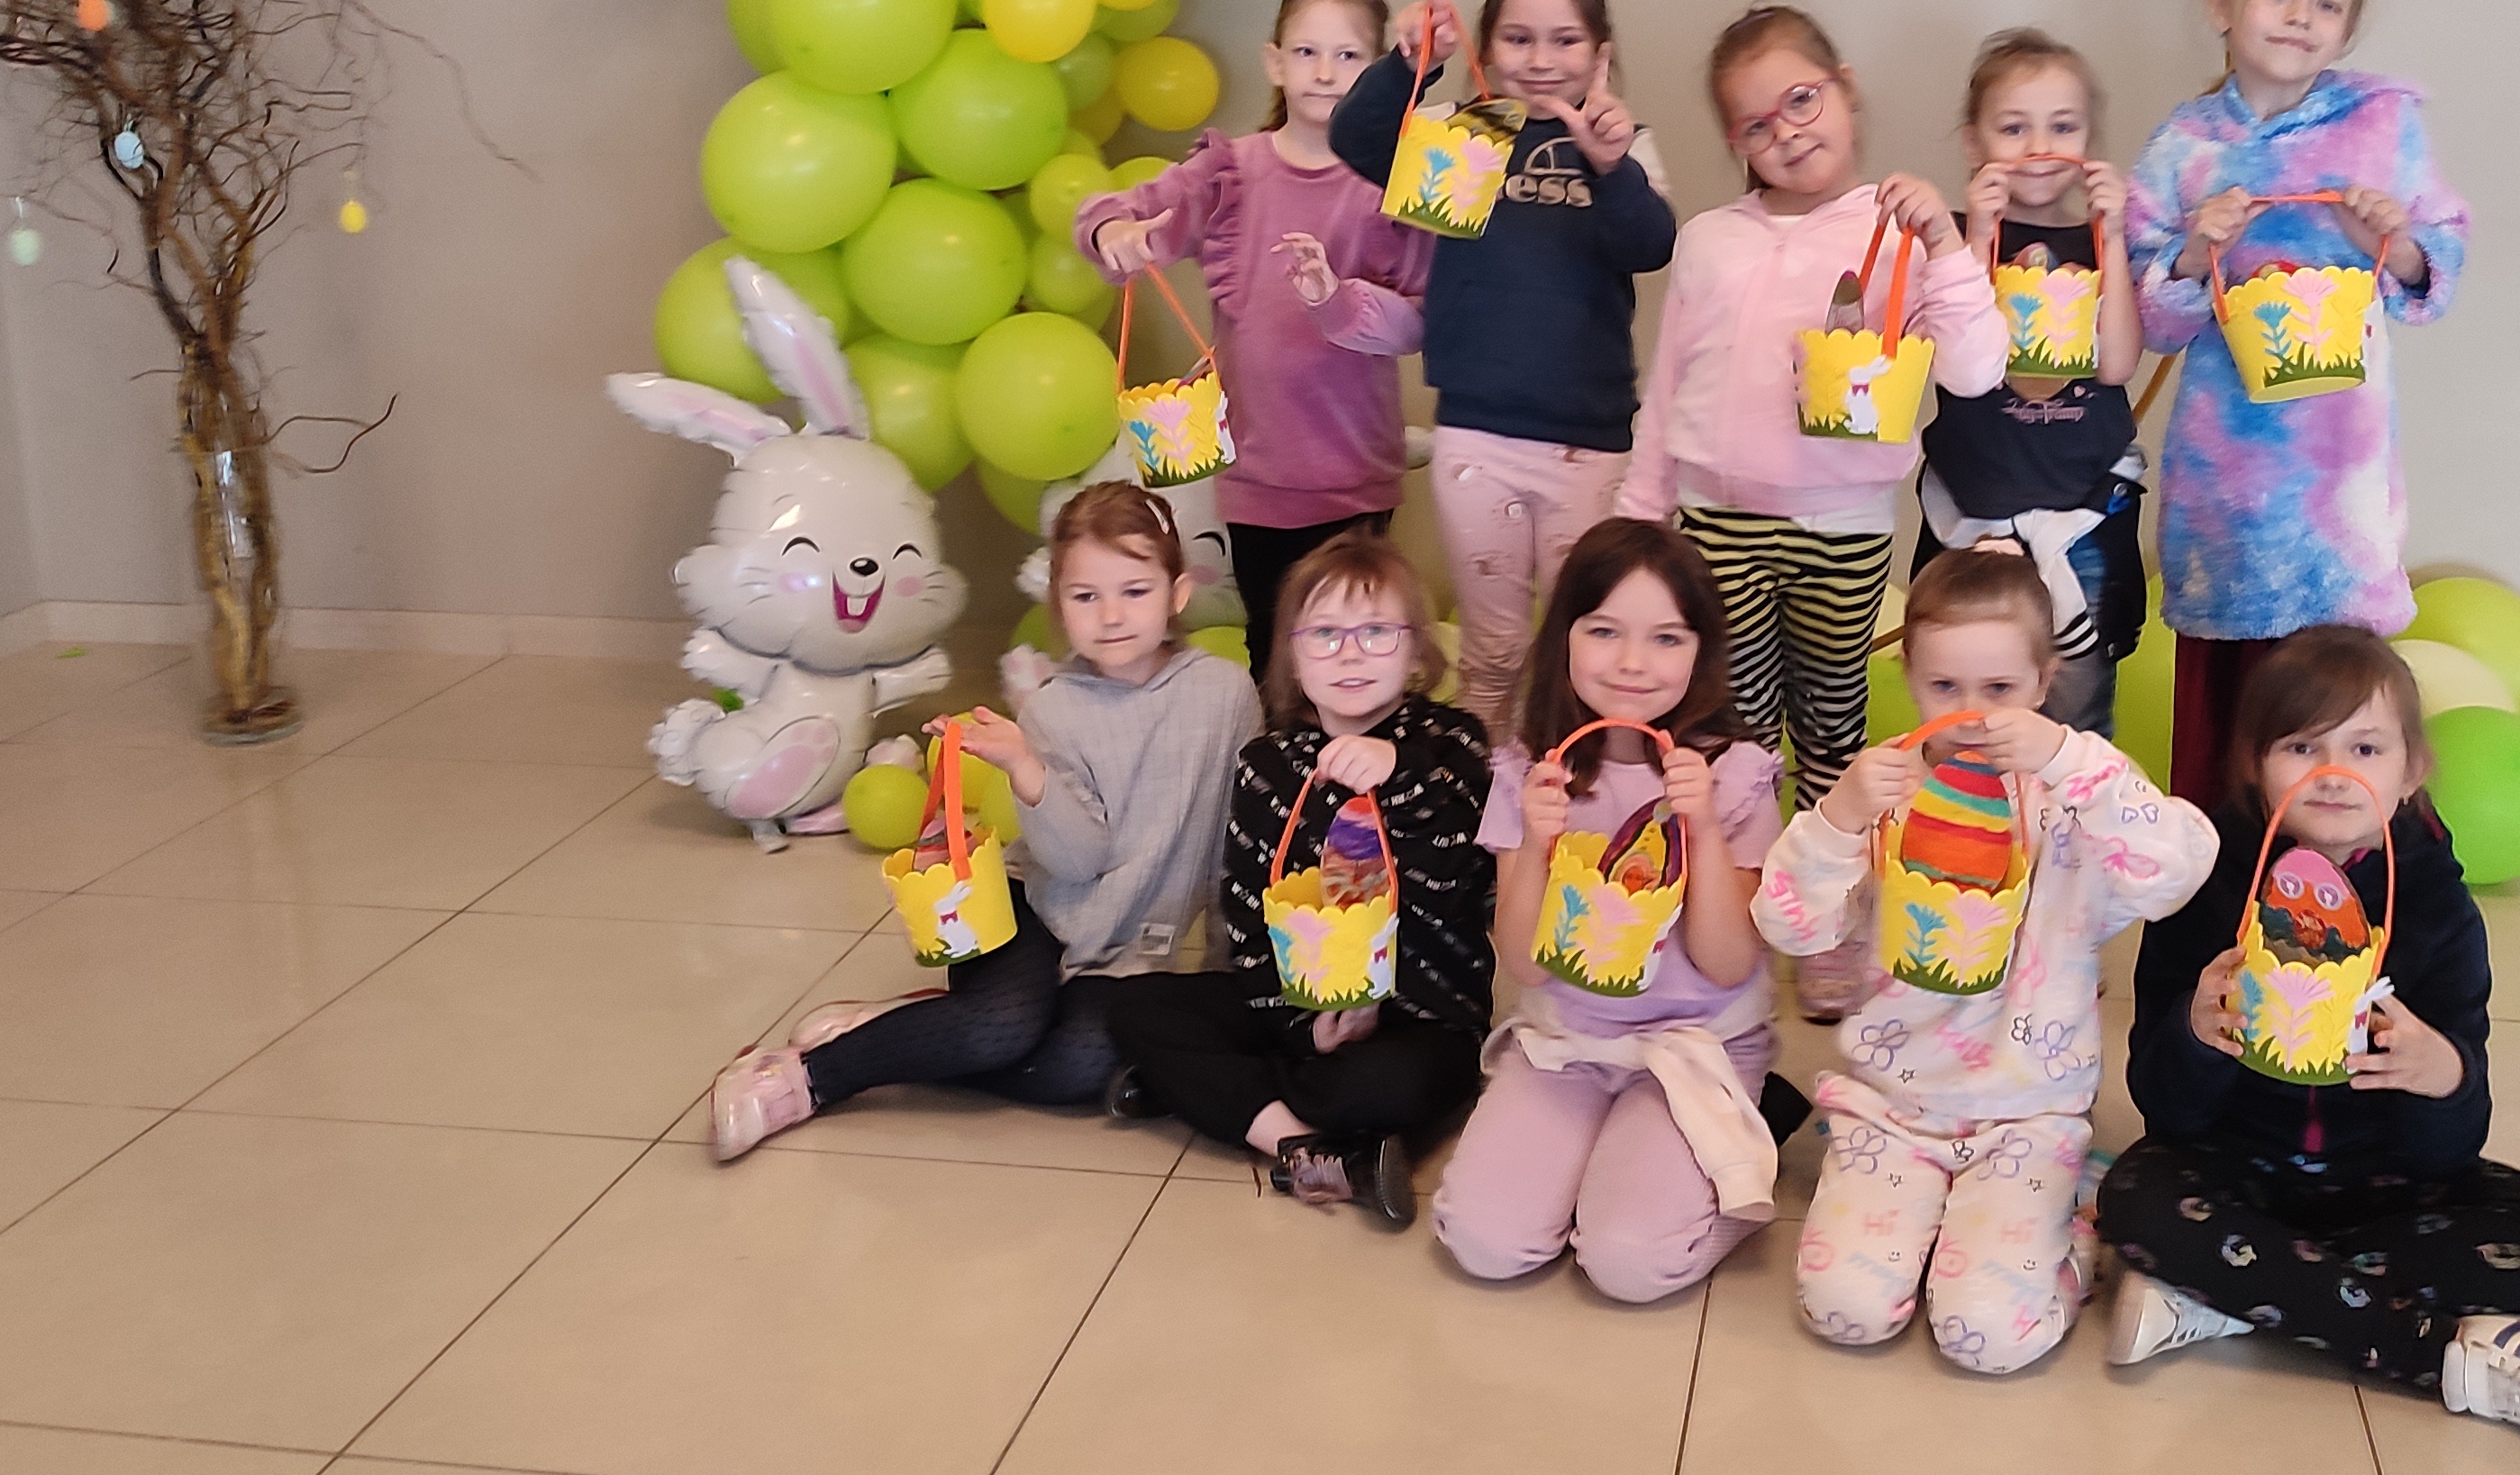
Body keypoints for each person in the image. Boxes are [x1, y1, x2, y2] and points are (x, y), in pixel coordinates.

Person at [2099, 625, 2520, 1462]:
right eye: (2300, 745)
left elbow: (2453, 1145)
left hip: (2384, 1187)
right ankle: (2448, 1358)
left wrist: (2443, 1075)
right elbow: (2163, 1103)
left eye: (2365, 747)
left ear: (2412, 770)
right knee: (2134, 1195)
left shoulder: (2438, 910)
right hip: (2233, 1167)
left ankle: (2225, 1289)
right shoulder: (2203, 886)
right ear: (2254, 764)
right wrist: (2196, 1036)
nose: (2331, 769)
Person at [1750, 548, 2215, 1374]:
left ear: (2044, 680)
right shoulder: (1883, 790)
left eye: (1999, 688)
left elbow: (2176, 869)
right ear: (1908, 675)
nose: (1970, 715)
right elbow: (1789, 926)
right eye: (1945, 686)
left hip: (2029, 1115)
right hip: (1891, 1108)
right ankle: (1948, 1227)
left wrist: (2069, 758)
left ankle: (2068, 1227)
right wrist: (1836, 818)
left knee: (1990, 1337)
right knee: (1845, 1311)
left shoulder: (2072, 792)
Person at [706, 482, 1257, 1160]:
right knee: (999, 1031)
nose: (1112, 615)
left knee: (1078, 1065)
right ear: (1059, 603)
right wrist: (1026, 767)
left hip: (1124, 954)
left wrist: (1234, 976)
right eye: (1086, 596)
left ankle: (911, 1029)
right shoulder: (1056, 708)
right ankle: (805, 1077)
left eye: (1135, 591)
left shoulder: (1225, 694)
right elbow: (1077, 863)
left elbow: (1238, 842)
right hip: (1032, 911)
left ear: (1177, 593)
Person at [1621, 2, 2007, 810]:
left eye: (1802, 99)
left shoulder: (1902, 233)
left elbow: (1975, 372)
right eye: (1757, 125)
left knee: (1832, 725)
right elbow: (1666, 387)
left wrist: (1945, 243)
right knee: (1733, 729)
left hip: (1844, 529)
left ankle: (1826, 873)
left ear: (1845, 88)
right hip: (1716, 523)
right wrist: (1638, 518)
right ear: (1736, 143)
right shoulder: (1709, 238)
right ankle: (1748, 872)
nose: (1788, 133)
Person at [2125, 0, 2469, 812]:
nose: (2297, 16)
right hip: (2228, 484)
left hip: (2339, 490)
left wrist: (2391, 243)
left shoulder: (2382, 126)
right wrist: (2195, 251)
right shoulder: (2184, 146)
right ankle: (2221, 886)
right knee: (2230, 722)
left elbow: (2437, 263)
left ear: (2346, 29)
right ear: (2222, 5)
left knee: (2338, 700)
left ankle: (2344, 884)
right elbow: (2149, 316)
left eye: (2325, 3)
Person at [1434, 519, 1788, 1302]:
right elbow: (1523, 964)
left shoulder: (1736, 772)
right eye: (1603, 631)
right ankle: (1607, 1173)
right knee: (1485, 1242)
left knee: (1630, 1263)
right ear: (1565, 635)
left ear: (1702, 650)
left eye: (1666, 638)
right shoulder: (1531, 770)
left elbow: (1728, 962)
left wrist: (1700, 826)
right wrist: (1536, 841)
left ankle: (1732, 1166)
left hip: (1699, 1044)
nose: (1632, 662)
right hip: (1567, 1038)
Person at [1328, 0, 1678, 729]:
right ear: (1486, 46)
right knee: (1493, 650)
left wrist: (1611, 167)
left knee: (1584, 646)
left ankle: (1573, 787)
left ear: (1601, 52)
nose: (1541, 60)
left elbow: (1651, 246)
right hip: (1477, 438)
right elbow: (1356, 140)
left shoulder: (1623, 144)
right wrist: (1410, 64)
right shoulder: (1461, 134)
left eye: (1565, 40)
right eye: (1518, 39)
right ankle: (1481, 791)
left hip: (1588, 443)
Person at [1105, 530, 1492, 1225]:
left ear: (1415, 650)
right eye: (1325, 634)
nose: (1349, 653)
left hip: (1421, 1016)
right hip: (1301, 1009)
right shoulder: (1269, 763)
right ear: (1292, 653)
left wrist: (1398, 777)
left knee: (1390, 1084)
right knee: (1134, 1003)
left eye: (1376, 632)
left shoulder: (1454, 743)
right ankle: (1305, 1145)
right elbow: (1247, 918)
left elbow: (1461, 887)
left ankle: (1214, 1094)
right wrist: (1304, 1026)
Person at [1080, 0, 1432, 657]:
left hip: (1358, 478)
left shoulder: (1391, 185)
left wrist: (1336, 302)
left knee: (1353, 660)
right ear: (1274, 62)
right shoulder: (1231, 172)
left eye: (1348, 55)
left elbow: (1417, 323)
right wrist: (1113, 233)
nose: (1325, 72)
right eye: (1306, 51)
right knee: (1275, 655)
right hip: (1260, 482)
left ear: (1380, 73)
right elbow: (1110, 213)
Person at [1915, 28, 2149, 737]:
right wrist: (1978, 233)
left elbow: (2117, 364)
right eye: (2014, 128)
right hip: (1973, 514)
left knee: (2077, 708)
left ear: (2089, 141)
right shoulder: (1952, 238)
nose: (2039, 147)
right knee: (1966, 714)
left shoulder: (2106, 241)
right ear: (1973, 143)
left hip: (2082, 516)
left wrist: (2112, 235)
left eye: (2063, 127)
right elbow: (1955, 354)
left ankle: (2071, 811)